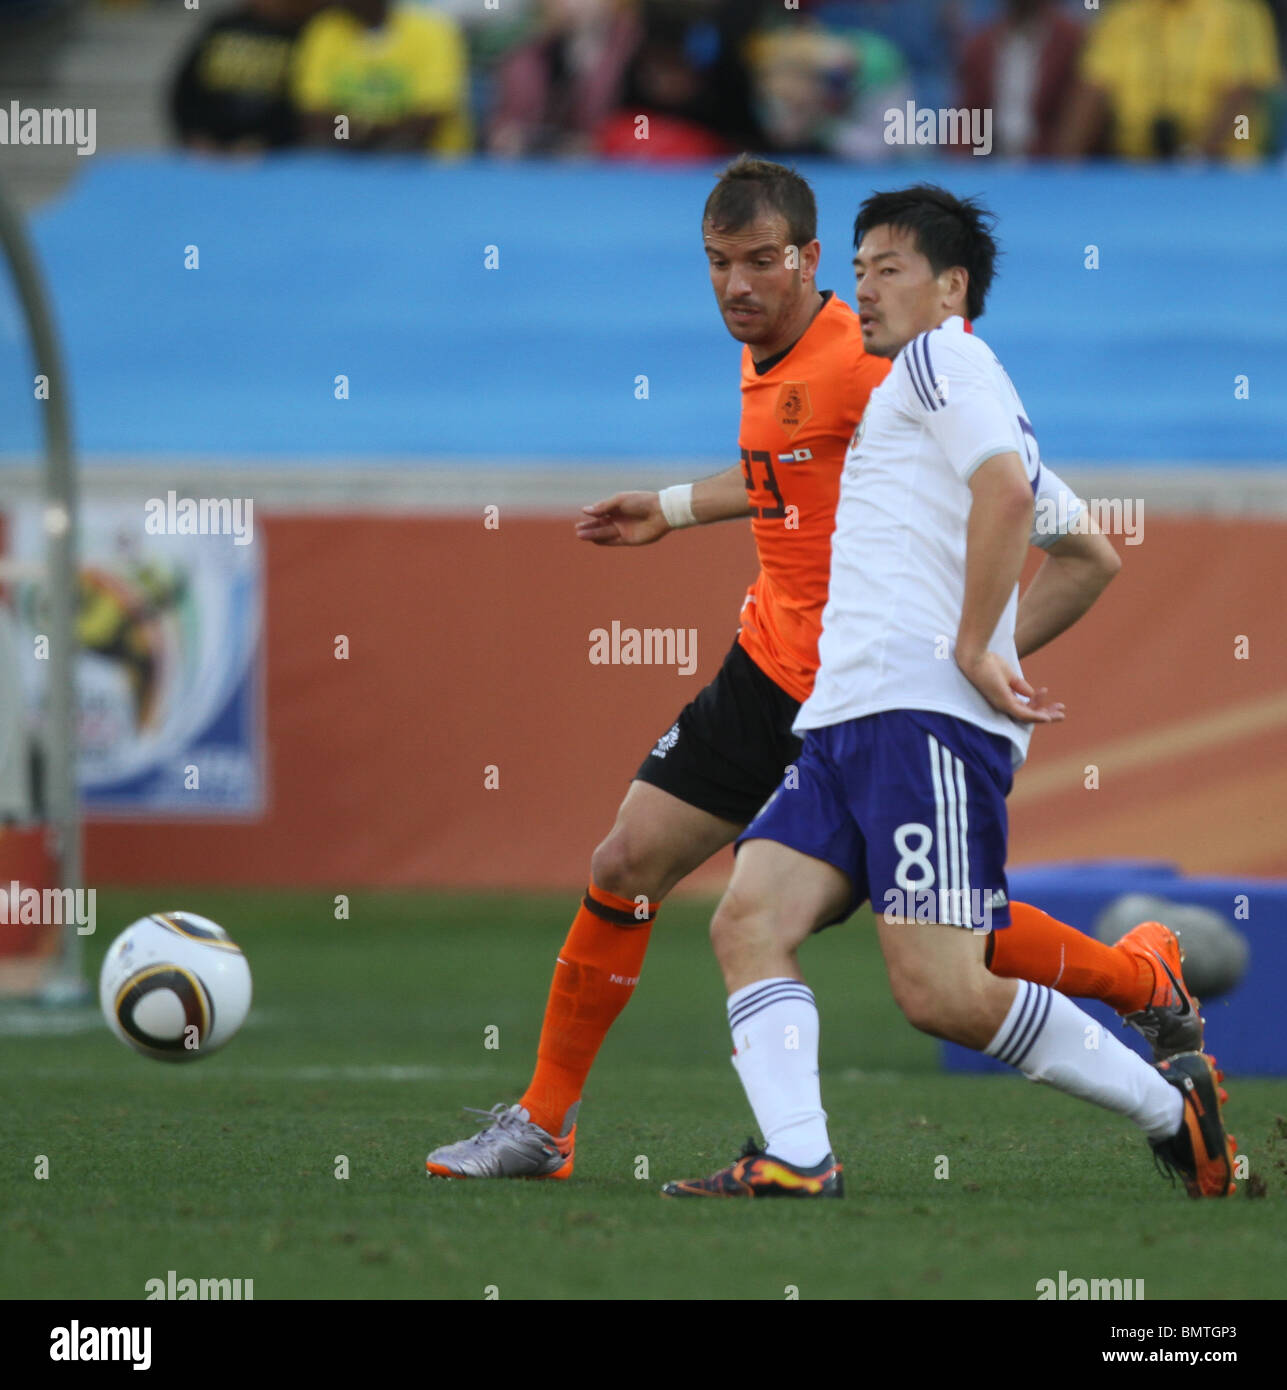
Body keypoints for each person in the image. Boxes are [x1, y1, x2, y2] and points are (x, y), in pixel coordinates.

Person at [424, 159, 1201, 1184]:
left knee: (945, 944)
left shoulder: (882, 360)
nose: (735, 285)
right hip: (771, 669)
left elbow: (1007, 483)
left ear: (810, 260)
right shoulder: (777, 356)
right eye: (715, 263)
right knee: (627, 864)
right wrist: (672, 506)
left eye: (759, 261)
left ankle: (1140, 981)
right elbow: (786, 468)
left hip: (866, 689)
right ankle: (548, 1122)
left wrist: (973, 646)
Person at [661, 184, 1235, 1201]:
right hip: (847, 720)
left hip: (914, 720)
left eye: (890, 268)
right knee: (747, 920)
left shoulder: (943, 358)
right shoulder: (923, 395)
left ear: (950, 287)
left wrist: (973, 650)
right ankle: (797, 1157)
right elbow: (1087, 551)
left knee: (946, 993)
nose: (865, 288)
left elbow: (1013, 501)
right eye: (860, 267)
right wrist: (986, 645)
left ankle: (1170, 1109)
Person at [1058, 0, 1282, 161]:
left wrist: (1196, 158)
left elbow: (1241, 92)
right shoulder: (1121, 14)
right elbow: (1091, 90)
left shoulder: (1240, 10)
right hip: (1136, 165)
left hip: (1223, 169)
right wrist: (1066, 165)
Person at [292, 0, 471, 154]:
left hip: (423, 157)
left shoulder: (432, 31)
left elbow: (430, 115)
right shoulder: (325, 30)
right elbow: (314, 112)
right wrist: (359, 133)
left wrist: (367, 132)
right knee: (316, 150)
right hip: (344, 149)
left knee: (399, 148)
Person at [170, 0, 321, 152]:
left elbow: (300, 102)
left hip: (272, 156)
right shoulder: (223, 26)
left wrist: (269, 142)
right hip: (206, 151)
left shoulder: (303, 34)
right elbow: (185, 88)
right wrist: (194, 133)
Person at [955, 0, 1084, 159]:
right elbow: (967, 115)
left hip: (1047, 164)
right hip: (990, 161)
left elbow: (1078, 114)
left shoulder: (1071, 41)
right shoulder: (979, 46)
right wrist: (961, 164)